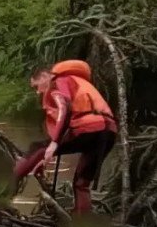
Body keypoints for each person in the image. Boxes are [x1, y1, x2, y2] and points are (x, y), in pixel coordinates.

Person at [13, 60, 117, 213]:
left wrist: (54, 143)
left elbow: (65, 108)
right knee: (81, 184)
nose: (37, 92)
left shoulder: (58, 81)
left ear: (44, 76)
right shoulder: (78, 82)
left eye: (36, 86)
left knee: (37, 147)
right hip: (108, 132)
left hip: (88, 128)